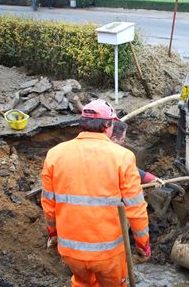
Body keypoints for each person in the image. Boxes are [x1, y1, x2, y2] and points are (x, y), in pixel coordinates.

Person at [41, 99, 151, 287]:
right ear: (108, 125)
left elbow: (48, 205)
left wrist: (53, 234)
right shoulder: (122, 157)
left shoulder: (54, 154)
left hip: (70, 251)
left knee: (83, 283)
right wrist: (143, 245)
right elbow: (136, 209)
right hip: (108, 254)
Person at [111, 121, 164, 185]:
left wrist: (151, 178)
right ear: (114, 139)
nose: (123, 142)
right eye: (122, 139)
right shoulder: (117, 156)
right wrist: (151, 179)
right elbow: (130, 170)